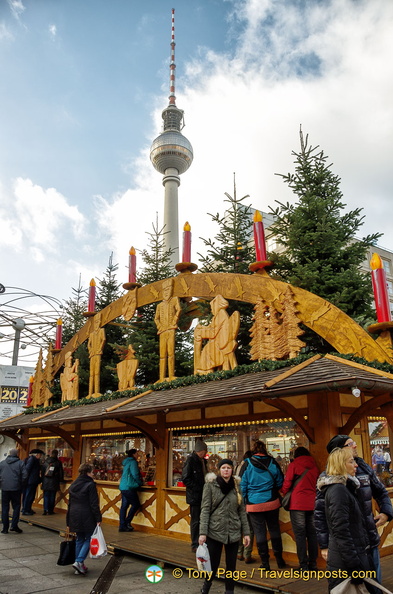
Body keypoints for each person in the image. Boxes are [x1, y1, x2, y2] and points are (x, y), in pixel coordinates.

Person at [315, 435, 392, 586]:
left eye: (355, 442)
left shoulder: (363, 468)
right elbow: (320, 514)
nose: (355, 446)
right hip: (349, 544)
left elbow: (381, 492)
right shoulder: (329, 480)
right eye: (350, 444)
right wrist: (324, 545)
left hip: (370, 537)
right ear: (339, 452)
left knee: (375, 583)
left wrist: (386, 513)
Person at [199, 458, 250, 594]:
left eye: (228, 468)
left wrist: (246, 533)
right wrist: (202, 533)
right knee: (213, 564)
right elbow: (205, 509)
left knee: (231, 565)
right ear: (219, 470)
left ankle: (229, 591)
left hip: (233, 530)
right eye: (223, 468)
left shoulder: (236, 486)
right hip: (215, 530)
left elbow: (242, 510)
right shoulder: (210, 486)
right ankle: (206, 586)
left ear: (232, 470)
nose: (226, 470)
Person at [240, 440, 286, 571]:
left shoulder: (247, 463)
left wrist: (245, 500)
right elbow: (280, 481)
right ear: (265, 449)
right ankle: (279, 560)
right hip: (271, 502)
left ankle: (265, 563)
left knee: (260, 533)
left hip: (254, 504)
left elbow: (242, 485)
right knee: (274, 530)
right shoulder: (272, 462)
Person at [281, 446, 319, 570]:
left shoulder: (294, 465)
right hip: (312, 503)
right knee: (312, 534)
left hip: (297, 504)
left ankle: (303, 565)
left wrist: (284, 492)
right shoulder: (314, 465)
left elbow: (287, 483)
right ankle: (313, 563)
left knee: (300, 535)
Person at [66, 463, 102, 575]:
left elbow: (70, 503)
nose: (93, 474)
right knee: (89, 538)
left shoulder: (73, 484)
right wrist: (98, 517)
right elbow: (93, 503)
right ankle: (79, 561)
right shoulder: (90, 485)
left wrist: (68, 519)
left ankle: (79, 565)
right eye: (92, 472)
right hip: (87, 514)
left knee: (79, 538)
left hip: (74, 513)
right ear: (87, 472)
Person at [181, 439, 208, 552]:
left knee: (202, 519)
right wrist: (198, 488)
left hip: (202, 494)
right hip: (195, 496)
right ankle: (194, 543)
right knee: (196, 520)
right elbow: (186, 478)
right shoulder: (191, 461)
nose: (205, 453)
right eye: (205, 451)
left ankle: (201, 541)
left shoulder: (202, 461)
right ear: (200, 451)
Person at [154, 278, 181, 381]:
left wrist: (174, 321)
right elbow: (156, 318)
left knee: (170, 353)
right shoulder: (159, 305)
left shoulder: (174, 300)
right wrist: (160, 326)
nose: (166, 292)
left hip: (170, 329)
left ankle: (170, 375)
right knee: (162, 354)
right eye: (164, 290)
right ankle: (161, 377)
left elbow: (179, 309)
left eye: (168, 290)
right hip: (163, 331)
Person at [0, 448, 27, 534]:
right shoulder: (20, 463)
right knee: (16, 507)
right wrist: (20, 484)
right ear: (17, 454)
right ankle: (14, 525)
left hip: (4, 488)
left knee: (5, 508)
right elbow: (25, 476)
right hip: (16, 488)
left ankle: (5, 528)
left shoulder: (2, 463)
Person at [235, 451, 255, 564]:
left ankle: (239, 552)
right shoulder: (250, 465)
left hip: (237, 500)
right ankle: (247, 554)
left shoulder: (238, 466)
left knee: (239, 528)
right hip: (247, 500)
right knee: (249, 529)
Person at [118, 448, 142, 532]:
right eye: (137, 454)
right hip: (129, 486)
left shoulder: (125, 462)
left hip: (123, 486)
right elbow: (135, 474)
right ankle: (127, 522)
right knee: (136, 504)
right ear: (134, 454)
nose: (138, 455)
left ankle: (122, 524)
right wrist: (140, 483)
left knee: (124, 506)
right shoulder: (133, 462)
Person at [22, 448, 45, 515]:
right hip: (31, 481)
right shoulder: (32, 460)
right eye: (40, 454)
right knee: (29, 495)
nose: (40, 456)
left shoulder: (31, 459)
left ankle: (27, 508)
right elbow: (27, 469)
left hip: (30, 481)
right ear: (37, 455)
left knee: (29, 495)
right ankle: (26, 509)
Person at [42, 449, 64, 515]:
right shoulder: (58, 462)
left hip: (45, 481)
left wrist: (42, 480)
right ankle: (50, 510)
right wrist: (61, 480)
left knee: (46, 496)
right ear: (57, 454)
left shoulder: (45, 462)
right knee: (52, 496)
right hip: (54, 481)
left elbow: (42, 472)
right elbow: (61, 473)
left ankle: (45, 510)